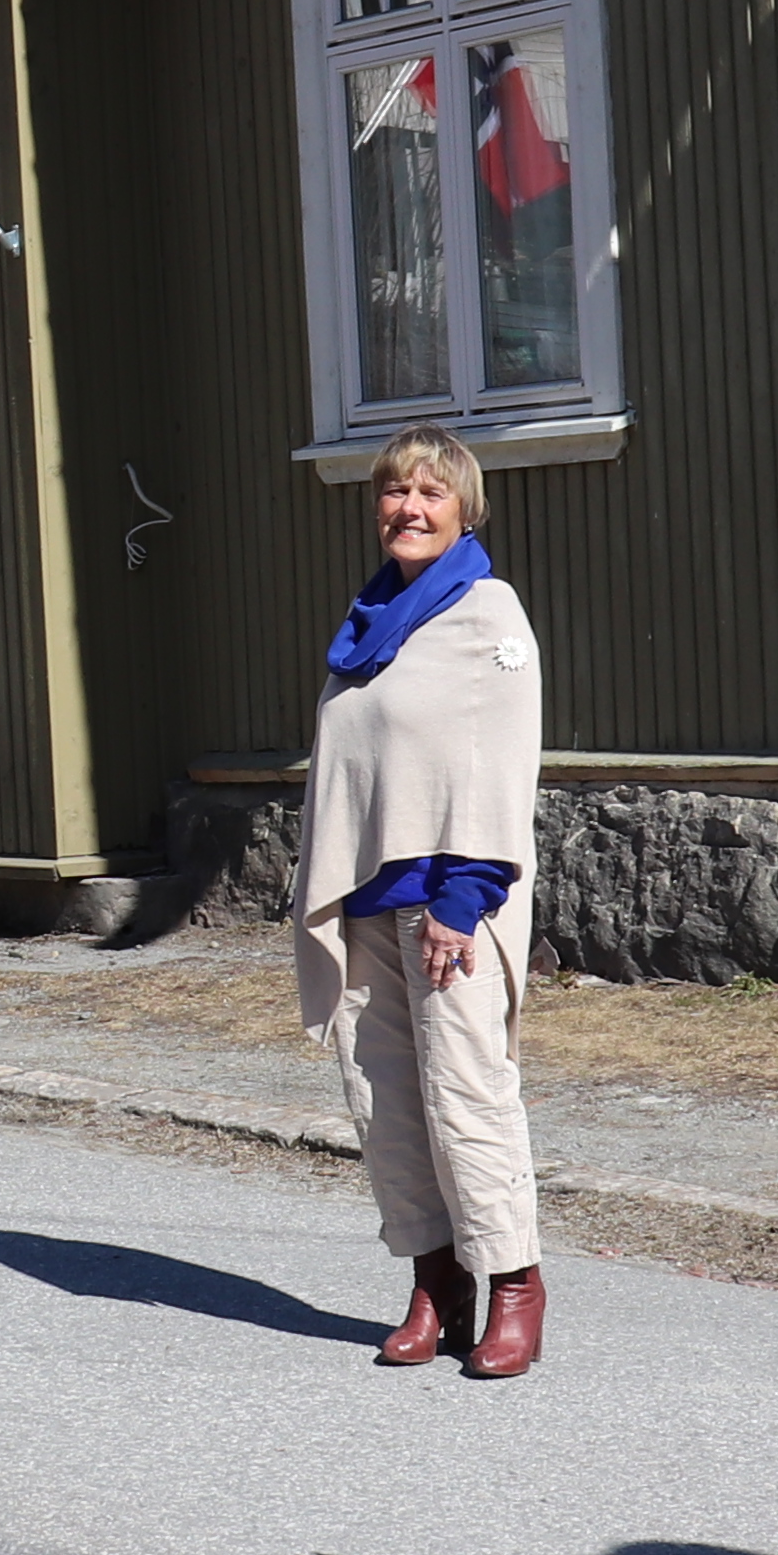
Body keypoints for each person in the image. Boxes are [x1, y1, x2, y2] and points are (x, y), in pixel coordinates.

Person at [296, 428, 553, 1378]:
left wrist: (465, 894)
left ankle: (512, 1285)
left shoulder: (489, 616)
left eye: (431, 494)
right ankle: (436, 1282)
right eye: (395, 491)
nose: (409, 507)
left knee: (467, 1096)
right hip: (368, 899)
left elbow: (499, 767)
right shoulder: (372, 617)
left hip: (450, 904)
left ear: (465, 510)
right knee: (386, 1101)